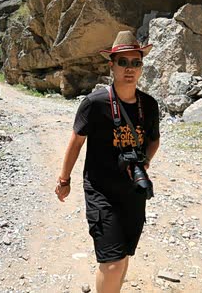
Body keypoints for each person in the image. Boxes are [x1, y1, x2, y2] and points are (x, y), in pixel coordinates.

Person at [55, 30, 161, 293]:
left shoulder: (149, 105)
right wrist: (64, 180)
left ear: (141, 67)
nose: (129, 68)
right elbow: (76, 142)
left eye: (135, 62)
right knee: (112, 262)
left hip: (133, 191)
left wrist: (145, 163)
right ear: (111, 65)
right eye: (123, 62)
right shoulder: (94, 104)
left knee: (123, 254)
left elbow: (154, 140)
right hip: (101, 191)